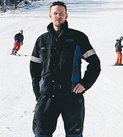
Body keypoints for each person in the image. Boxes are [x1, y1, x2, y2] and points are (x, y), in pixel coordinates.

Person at [29, 1, 101, 136]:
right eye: (55, 13)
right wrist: (38, 94)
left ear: (66, 15)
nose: (58, 16)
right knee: (41, 134)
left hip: (72, 97)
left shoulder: (78, 37)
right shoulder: (42, 40)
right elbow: (34, 70)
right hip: (47, 97)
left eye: (61, 13)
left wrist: (85, 84)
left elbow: (95, 64)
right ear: (50, 16)